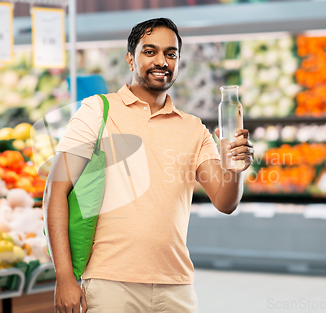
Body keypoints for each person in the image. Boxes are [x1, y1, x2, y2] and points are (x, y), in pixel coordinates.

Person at [43, 17, 254, 313]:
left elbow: (225, 202)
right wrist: (64, 276)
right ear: (131, 58)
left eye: (171, 54)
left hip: (177, 287)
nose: (162, 61)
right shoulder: (97, 111)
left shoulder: (193, 128)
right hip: (110, 284)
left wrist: (234, 167)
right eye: (150, 51)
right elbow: (55, 191)